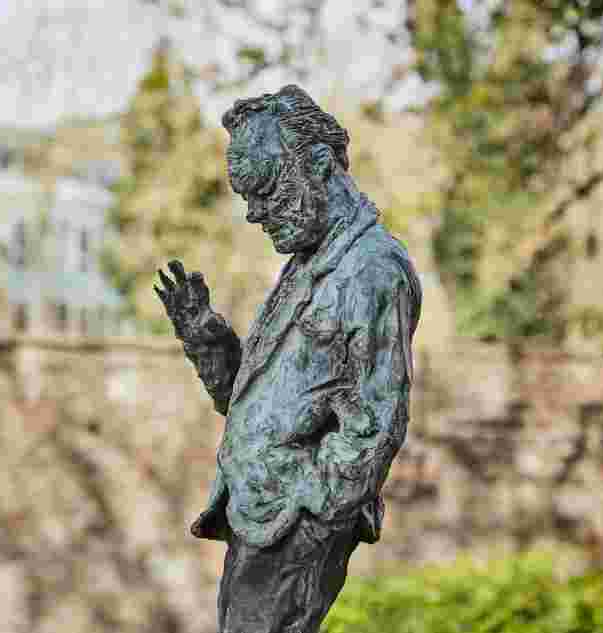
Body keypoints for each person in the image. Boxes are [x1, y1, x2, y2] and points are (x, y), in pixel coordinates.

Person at [155, 84, 422, 633]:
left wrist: (314, 509)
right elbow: (256, 403)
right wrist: (205, 337)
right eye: (246, 198)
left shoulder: (370, 270)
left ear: (320, 166)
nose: (255, 214)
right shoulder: (308, 264)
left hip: (295, 524)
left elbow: (376, 421)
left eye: (268, 192)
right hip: (259, 514)